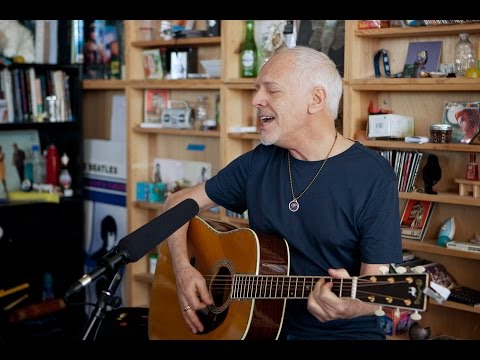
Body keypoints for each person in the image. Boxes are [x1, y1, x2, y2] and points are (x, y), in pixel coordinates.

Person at [162, 46, 402, 340]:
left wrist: (351, 306)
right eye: (256, 89)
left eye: (271, 90)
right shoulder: (259, 161)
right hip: (255, 326)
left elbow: (379, 290)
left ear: (315, 100)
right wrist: (183, 269)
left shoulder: (373, 176)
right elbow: (176, 203)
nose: (255, 101)